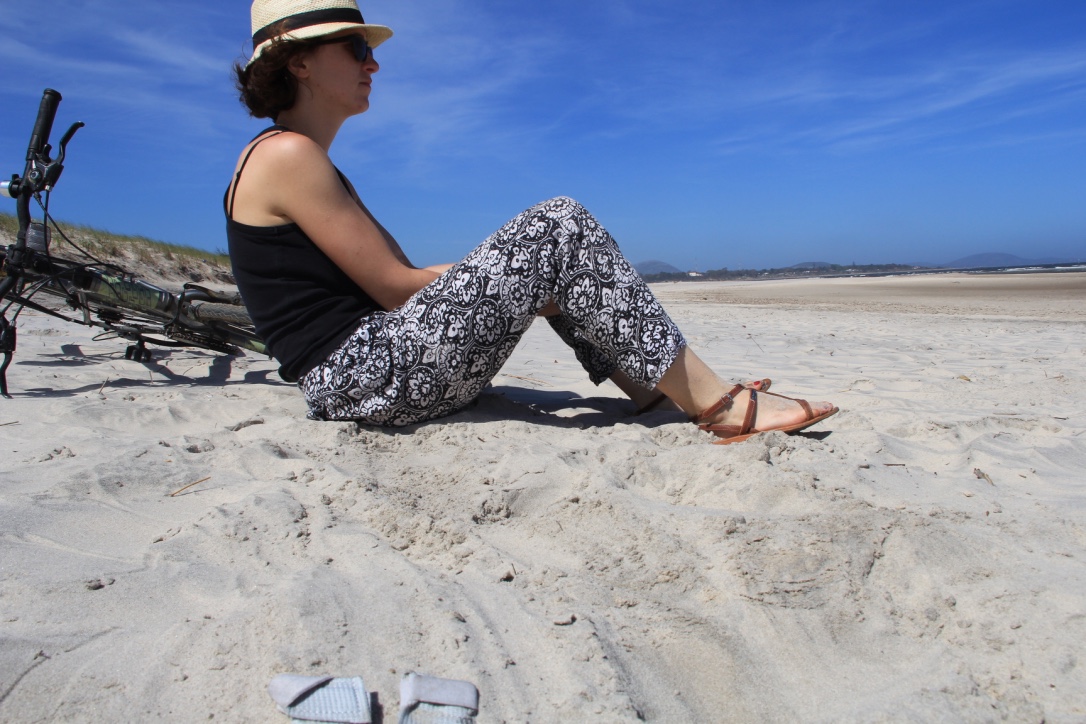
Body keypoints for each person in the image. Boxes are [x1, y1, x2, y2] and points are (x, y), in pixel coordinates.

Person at [226, 0, 837, 444]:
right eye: (357, 49)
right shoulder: (288, 156)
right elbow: (392, 288)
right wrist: (516, 271)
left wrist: (514, 277)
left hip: (367, 374)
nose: (374, 65)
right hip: (361, 379)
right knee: (558, 226)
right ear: (299, 63)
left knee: (549, 257)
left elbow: (399, 278)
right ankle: (716, 404)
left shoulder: (296, 159)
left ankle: (655, 389)